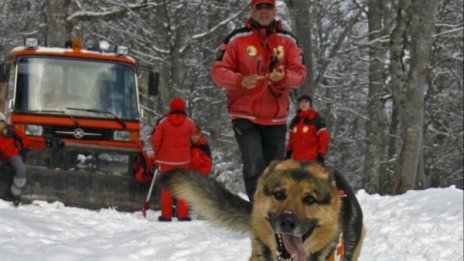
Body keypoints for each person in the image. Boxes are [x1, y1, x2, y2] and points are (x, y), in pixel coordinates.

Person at [210, 0, 307, 200]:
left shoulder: (288, 41)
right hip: (244, 115)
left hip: (276, 117)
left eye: (268, 7)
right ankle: (257, 211)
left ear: (274, 10)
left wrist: (285, 76)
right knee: (254, 164)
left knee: (277, 170)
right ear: (251, 10)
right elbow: (218, 72)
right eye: (259, 7)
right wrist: (240, 80)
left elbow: (300, 73)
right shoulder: (236, 39)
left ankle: (273, 211)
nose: (264, 12)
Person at [151, 98, 196, 222]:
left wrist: (158, 153)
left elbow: (155, 140)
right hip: (183, 161)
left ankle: (166, 215)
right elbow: (196, 139)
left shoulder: (163, 122)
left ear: (171, 108)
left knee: (166, 187)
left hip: (165, 160)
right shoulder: (189, 123)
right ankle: (182, 215)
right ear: (183, 108)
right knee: (182, 186)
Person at [286, 95, 330, 163]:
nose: (303, 104)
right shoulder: (295, 120)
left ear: (310, 104)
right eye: (301, 102)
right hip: (296, 160)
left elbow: (324, 139)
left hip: (312, 161)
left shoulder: (317, 119)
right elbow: (291, 140)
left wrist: (321, 155)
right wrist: (288, 153)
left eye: (306, 102)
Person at [0, 112, 29, 205]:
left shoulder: (12, 131)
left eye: (0, 122)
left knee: (21, 170)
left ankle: (16, 194)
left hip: (12, 155)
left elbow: (24, 140)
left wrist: (23, 151)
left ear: (4, 123)